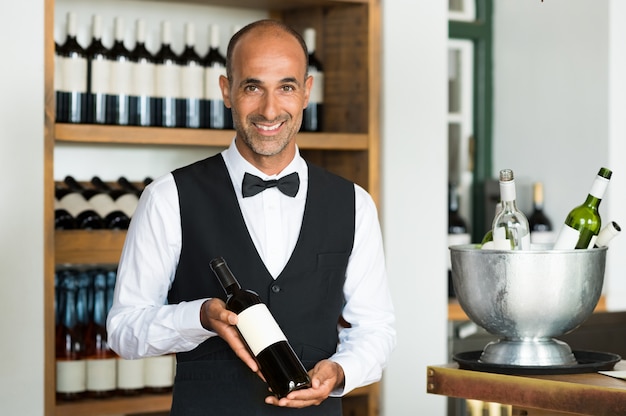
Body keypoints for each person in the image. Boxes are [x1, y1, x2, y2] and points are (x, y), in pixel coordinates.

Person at [107, 19, 396, 415]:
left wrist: (341, 370)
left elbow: (376, 330)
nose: (270, 109)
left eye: (286, 87)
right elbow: (123, 331)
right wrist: (200, 317)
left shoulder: (354, 204)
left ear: (307, 92)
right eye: (252, 86)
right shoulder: (167, 197)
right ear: (227, 90)